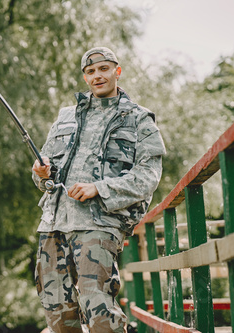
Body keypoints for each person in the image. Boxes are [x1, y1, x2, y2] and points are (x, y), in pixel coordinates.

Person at [32, 47, 166, 333]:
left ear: (117, 71)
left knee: (98, 306)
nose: (97, 76)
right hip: (54, 222)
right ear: (84, 77)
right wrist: (41, 174)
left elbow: (148, 176)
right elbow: (45, 175)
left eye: (104, 69)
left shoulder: (138, 119)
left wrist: (99, 188)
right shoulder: (64, 118)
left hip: (99, 223)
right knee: (56, 309)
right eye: (91, 71)